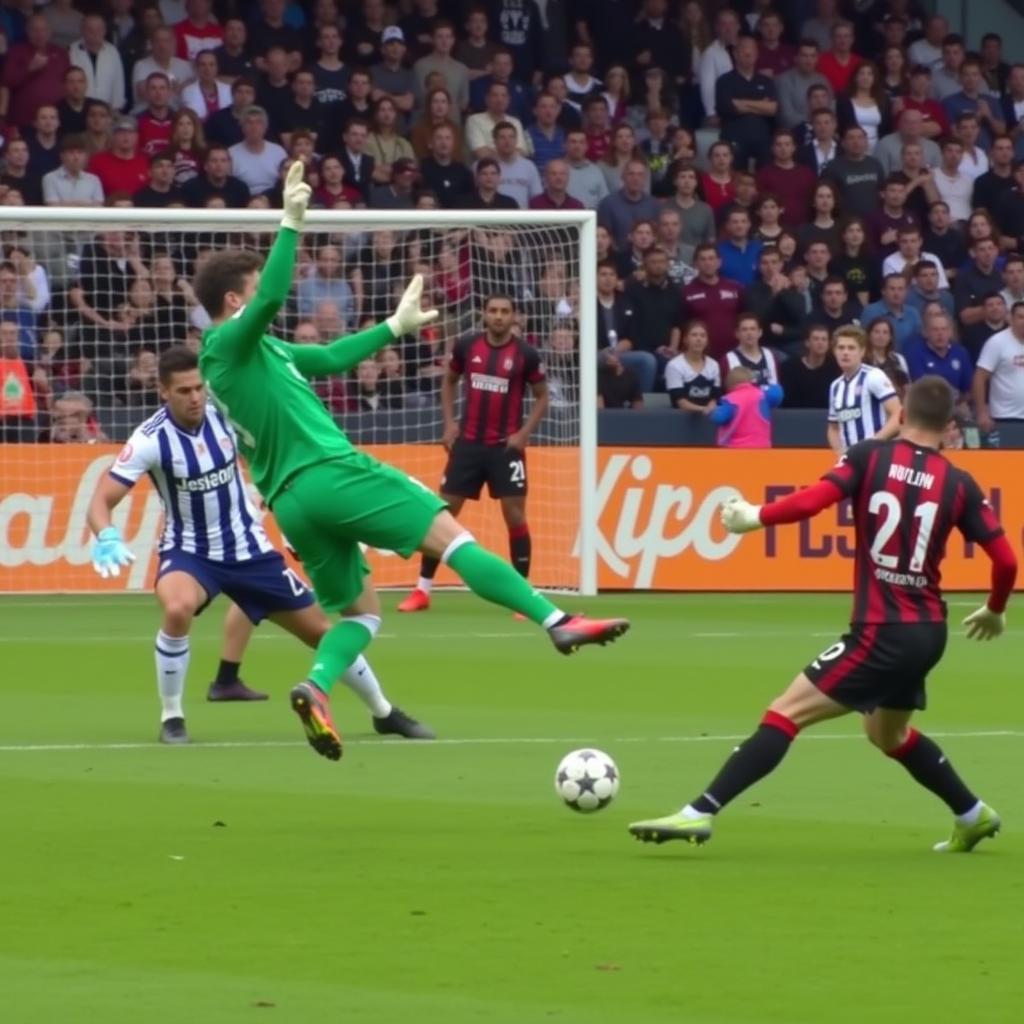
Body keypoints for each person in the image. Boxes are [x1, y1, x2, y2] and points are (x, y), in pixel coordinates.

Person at [193, 164, 629, 759]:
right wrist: (290, 224)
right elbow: (270, 296)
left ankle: (316, 688)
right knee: (453, 539)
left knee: (361, 615)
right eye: (253, 292)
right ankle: (556, 622)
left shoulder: (256, 351)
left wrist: (393, 327)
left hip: (293, 504)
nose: (267, 299)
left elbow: (329, 358)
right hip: (331, 472)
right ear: (233, 300)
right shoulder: (224, 345)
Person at [629, 374, 1016, 852]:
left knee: (785, 713)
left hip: (881, 631)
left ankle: (699, 812)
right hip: (927, 632)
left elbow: (813, 500)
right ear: (950, 424)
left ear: (901, 415)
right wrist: (996, 609)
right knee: (887, 733)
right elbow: (1007, 560)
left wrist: (756, 517)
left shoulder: (868, 457)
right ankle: (973, 814)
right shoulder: (960, 482)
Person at [87, 346, 433, 745]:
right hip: (190, 553)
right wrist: (107, 534)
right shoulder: (149, 438)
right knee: (178, 608)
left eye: (199, 387)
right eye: (184, 391)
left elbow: (275, 455)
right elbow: (101, 500)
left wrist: (281, 506)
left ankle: (383, 712)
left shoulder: (226, 414)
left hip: (250, 550)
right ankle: (172, 718)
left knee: (323, 632)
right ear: (164, 392)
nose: (195, 397)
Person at [398, 293, 549, 614]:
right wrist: (449, 423)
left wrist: (524, 434)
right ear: (484, 314)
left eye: (504, 311)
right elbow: (449, 381)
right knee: (442, 515)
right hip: (467, 445)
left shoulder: (526, 355)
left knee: (515, 517)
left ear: (514, 317)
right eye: (493, 310)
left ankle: (523, 599)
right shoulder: (467, 346)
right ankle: (422, 590)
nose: (498, 316)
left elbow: (542, 397)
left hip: (505, 448)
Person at [826, 325, 902, 453]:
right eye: (841, 348)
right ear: (834, 351)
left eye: (851, 348)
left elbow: (898, 413)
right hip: (851, 459)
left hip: (876, 455)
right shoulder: (835, 386)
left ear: (862, 351)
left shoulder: (873, 376)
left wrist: (874, 442)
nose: (845, 352)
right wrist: (841, 454)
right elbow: (833, 428)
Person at [972, 301, 1024, 435]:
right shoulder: (997, 342)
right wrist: (982, 412)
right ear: (1011, 319)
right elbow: (980, 377)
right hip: (1006, 418)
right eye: (1020, 317)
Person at [780, 325, 837, 408]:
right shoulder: (790, 367)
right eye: (816, 339)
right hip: (796, 415)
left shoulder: (835, 367)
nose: (820, 342)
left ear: (829, 344)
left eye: (824, 339)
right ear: (807, 343)